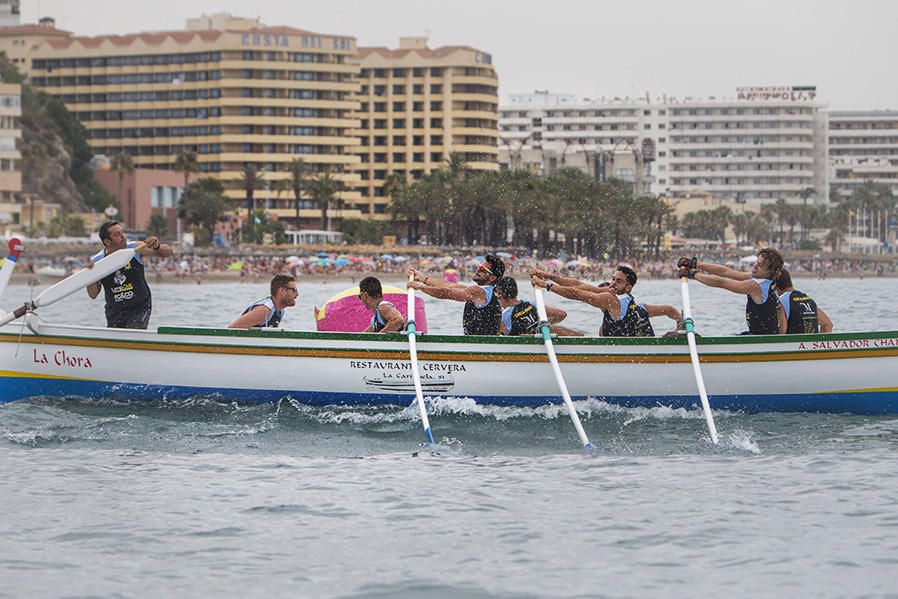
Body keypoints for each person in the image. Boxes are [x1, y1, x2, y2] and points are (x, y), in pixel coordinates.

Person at [530, 265, 682, 337]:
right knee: (602, 331)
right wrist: (546, 275)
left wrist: (546, 285)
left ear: (628, 287)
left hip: (632, 357)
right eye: (613, 279)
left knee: (599, 332)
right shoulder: (640, 307)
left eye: (618, 281)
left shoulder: (611, 300)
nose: (613, 284)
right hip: (639, 351)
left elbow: (577, 294)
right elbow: (670, 310)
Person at [86, 220, 173, 329]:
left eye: (122, 232)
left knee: (134, 332)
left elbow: (168, 252)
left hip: (140, 306)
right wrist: (90, 276)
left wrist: (157, 246)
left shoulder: (135, 248)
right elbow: (93, 294)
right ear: (107, 241)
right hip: (115, 311)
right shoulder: (97, 261)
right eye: (117, 235)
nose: (123, 236)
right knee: (117, 343)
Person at [678, 248, 786, 335]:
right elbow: (726, 272)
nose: (755, 266)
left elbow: (722, 283)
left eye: (760, 265)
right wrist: (696, 264)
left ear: (769, 272)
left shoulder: (755, 286)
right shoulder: (767, 282)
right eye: (756, 262)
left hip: (762, 340)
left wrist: (693, 274)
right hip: (760, 336)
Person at [408, 254, 505, 335]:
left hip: (481, 346)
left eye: (483, 269)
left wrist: (420, 287)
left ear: (492, 278)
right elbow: (449, 285)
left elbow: (446, 293)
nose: (478, 270)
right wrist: (423, 278)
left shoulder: (479, 292)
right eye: (479, 266)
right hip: (481, 344)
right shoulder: (484, 291)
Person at [494, 276, 582, 336]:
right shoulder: (532, 304)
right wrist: (540, 325)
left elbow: (502, 340)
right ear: (516, 291)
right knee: (556, 330)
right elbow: (561, 315)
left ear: (499, 294)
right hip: (542, 341)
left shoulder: (503, 317)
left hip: (529, 348)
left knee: (553, 330)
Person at [228, 274, 298, 328]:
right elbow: (231, 329)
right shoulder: (264, 310)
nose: (297, 294)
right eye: (294, 290)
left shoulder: (280, 311)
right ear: (282, 291)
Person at [775, 269, 833, 334]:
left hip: (793, 343)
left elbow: (781, 334)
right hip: (812, 343)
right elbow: (828, 325)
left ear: (777, 289)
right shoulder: (809, 300)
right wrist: (819, 342)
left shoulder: (782, 301)